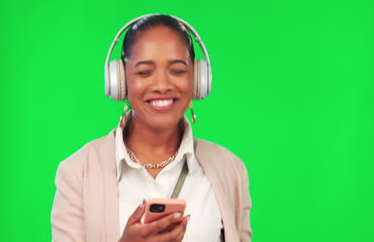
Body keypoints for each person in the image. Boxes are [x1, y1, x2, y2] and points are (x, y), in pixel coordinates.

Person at [51, 14, 252, 242]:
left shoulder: (231, 170)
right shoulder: (77, 173)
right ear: (120, 81)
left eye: (177, 70)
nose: (162, 85)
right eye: (144, 72)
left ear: (198, 79)